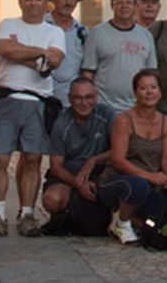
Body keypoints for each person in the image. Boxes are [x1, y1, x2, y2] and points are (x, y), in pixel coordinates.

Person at [0, 0, 65, 238]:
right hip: (7, 99)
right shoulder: (8, 24)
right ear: (20, 2)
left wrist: (22, 52)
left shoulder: (55, 31)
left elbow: (53, 61)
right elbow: (5, 50)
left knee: (32, 159)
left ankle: (27, 214)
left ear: (45, 3)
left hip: (38, 102)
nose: (32, 4)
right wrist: (38, 53)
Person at [100, 69, 167, 244]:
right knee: (138, 186)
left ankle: (129, 219)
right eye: (143, 88)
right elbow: (117, 160)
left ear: (160, 92)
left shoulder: (166, 122)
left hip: (150, 183)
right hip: (119, 180)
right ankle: (121, 222)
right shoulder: (124, 120)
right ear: (135, 93)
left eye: (153, 87)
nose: (149, 92)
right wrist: (150, 176)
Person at [40, 78, 116, 225]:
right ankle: (62, 214)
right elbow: (56, 166)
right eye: (78, 98)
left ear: (96, 97)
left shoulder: (107, 115)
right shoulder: (61, 123)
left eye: (89, 97)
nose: (84, 103)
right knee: (52, 200)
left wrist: (93, 161)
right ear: (69, 98)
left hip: (100, 173)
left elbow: (120, 150)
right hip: (70, 175)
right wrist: (79, 183)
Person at [82, 0, 157, 114]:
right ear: (112, 6)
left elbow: (151, 73)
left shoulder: (146, 35)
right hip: (105, 107)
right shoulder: (97, 33)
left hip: (137, 109)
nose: (124, 6)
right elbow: (88, 73)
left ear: (135, 6)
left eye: (129, 2)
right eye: (119, 3)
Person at [47, 0, 90, 105]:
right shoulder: (41, 26)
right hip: (44, 99)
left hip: (72, 102)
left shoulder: (82, 32)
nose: (68, 2)